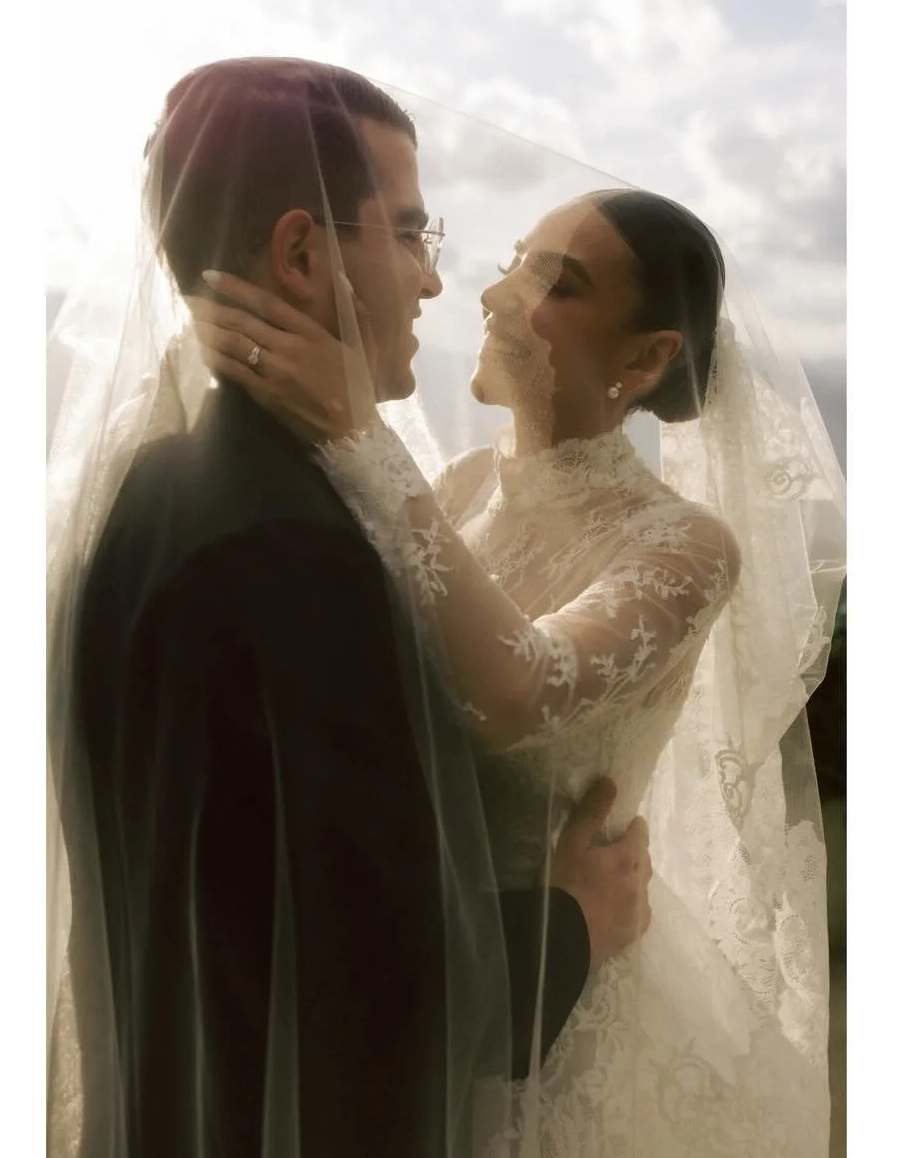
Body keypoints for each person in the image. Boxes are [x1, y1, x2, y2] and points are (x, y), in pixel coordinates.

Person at [45, 57, 658, 1158]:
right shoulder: (302, 550)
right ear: (301, 253)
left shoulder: (152, 484)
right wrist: (576, 919)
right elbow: (379, 976)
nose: (434, 283)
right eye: (411, 234)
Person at [194, 186, 846, 1156]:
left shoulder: (686, 545)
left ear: (644, 358)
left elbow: (514, 690)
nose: (496, 294)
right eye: (512, 262)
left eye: (555, 283)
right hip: (412, 976)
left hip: (559, 1015)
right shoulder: (454, 489)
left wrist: (359, 432)